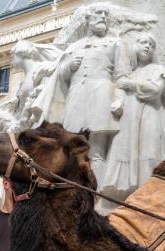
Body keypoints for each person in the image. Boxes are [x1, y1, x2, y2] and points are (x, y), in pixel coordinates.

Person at [55, 4, 129, 174]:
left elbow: (122, 75)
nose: (103, 16)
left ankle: (98, 197)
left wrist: (120, 99)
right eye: (98, 13)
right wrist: (69, 67)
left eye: (105, 14)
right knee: (73, 151)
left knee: (96, 152)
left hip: (102, 96)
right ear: (88, 19)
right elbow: (61, 76)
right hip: (76, 98)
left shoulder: (115, 43)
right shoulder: (74, 46)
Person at [102, 33, 165, 198]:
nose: (147, 46)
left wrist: (132, 85)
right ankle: (130, 193)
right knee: (127, 153)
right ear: (135, 46)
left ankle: (151, 193)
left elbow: (155, 90)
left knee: (149, 153)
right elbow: (121, 97)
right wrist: (118, 105)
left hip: (150, 115)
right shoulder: (131, 74)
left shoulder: (158, 69)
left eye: (150, 44)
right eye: (143, 42)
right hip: (129, 121)